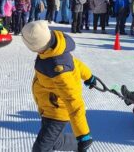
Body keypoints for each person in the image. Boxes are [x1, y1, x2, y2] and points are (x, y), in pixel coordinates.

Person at [21, 20, 95, 152]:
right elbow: (75, 63)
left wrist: (83, 135)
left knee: (41, 148)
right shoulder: (54, 47)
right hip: (48, 105)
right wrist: (88, 76)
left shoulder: (58, 68)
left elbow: (73, 99)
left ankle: (81, 141)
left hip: (56, 113)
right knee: (55, 142)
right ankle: (76, 144)